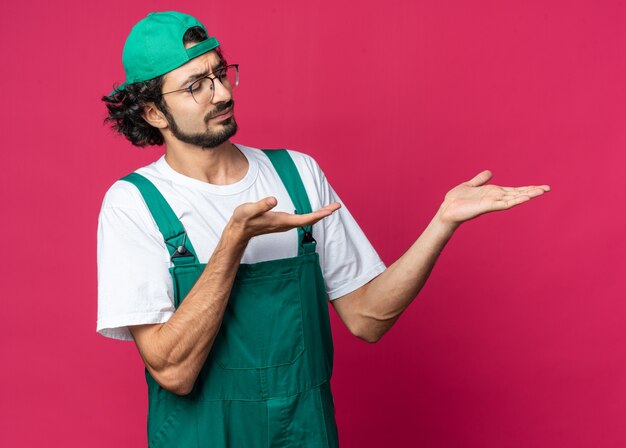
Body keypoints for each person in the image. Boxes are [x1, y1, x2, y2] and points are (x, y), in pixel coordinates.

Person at [97, 11, 550, 448]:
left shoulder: (296, 173)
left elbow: (368, 317)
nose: (220, 94)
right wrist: (232, 244)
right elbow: (173, 373)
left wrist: (442, 222)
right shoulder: (134, 204)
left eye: (220, 73)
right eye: (195, 86)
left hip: (304, 434)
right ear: (155, 113)